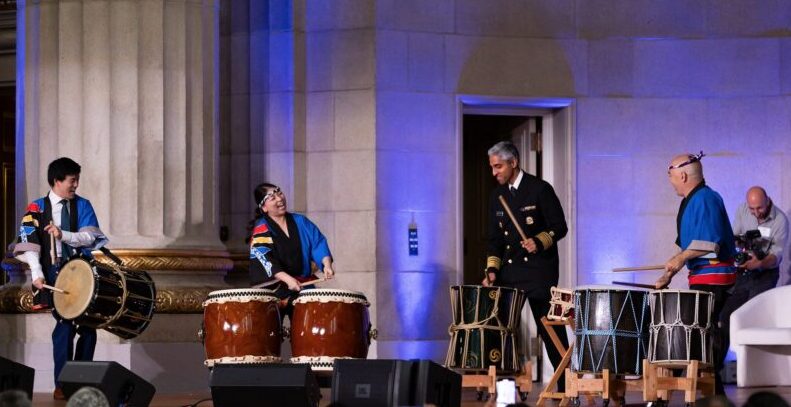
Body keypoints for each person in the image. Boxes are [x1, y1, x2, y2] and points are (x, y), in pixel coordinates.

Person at [11, 157, 108, 400]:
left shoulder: (83, 204)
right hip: (54, 274)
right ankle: (63, 384)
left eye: (77, 180)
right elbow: (29, 244)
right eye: (72, 180)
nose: (76, 185)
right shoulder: (36, 208)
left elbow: (89, 237)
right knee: (64, 326)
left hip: (82, 273)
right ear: (57, 180)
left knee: (89, 327)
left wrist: (62, 234)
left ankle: (82, 381)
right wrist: (37, 273)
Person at [481, 141, 569, 392]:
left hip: (539, 272)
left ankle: (565, 386)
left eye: (498, 166)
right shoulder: (497, 196)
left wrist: (538, 241)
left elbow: (560, 227)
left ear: (513, 162)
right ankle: (504, 388)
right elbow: (494, 240)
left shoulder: (540, 189)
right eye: (492, 167)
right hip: (509, 273)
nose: (494, 172)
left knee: (550, 332)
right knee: (502, 332)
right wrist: (492, 270)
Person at [654, 152, 736, 395]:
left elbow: (710, 243)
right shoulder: (691, 200)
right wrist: (669, 274)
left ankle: (678, 391)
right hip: (702, 276)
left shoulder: (706, 198)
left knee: (697, 334)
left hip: (714, 277)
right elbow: (689, 246)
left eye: (670, 176)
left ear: (682, 175)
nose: (670, 182)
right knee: (698, 334)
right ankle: (710, 393)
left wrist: (680, 259)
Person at [719, 186, 788, 374]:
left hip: (765, 274)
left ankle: (755, 370)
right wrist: (739, 247)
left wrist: (760, 263)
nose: (756, 213)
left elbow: (777, 256)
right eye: (752, 209)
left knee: (753, 318)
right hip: (743, 273)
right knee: (725, 316)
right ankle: (716, 369)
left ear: (768, 200)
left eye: (759, 208)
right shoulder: (742, 210)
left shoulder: (780, 220)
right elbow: (734, 237)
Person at [248, 183, 334, 316]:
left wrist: (326, 264)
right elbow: (266, 260)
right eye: (272, 198)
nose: (279, 199)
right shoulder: (261, 230)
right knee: (272, 325)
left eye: (279, 193)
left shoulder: (300, 221)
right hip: (275, 288)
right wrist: (288, 279)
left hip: (303, 284)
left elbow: (318, 242)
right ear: (264, 207)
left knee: (312, 319)